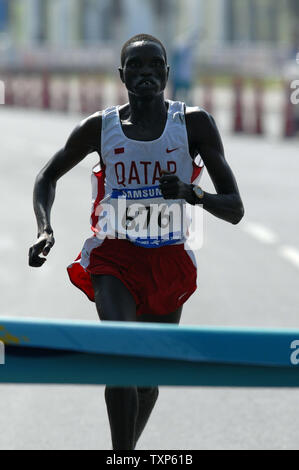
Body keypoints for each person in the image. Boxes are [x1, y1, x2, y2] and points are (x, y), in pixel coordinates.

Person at [29, 33, 244, 450]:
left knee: (146, 381)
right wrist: (44, 228)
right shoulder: (100, 127)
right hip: (115, 256)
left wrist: (190, 192)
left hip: (168, 260)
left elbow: (234, 208)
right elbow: (46, 176)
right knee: (122, 356)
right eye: (136, 66)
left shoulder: (193, 123)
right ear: (121, 74)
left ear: (166, 73)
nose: (145, 73)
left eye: (153, 66)